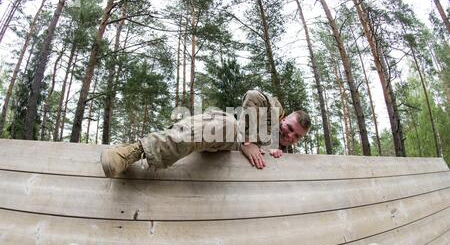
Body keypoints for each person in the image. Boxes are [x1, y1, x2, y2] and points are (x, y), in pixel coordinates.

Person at [101, 89, 311, 177]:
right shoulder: (269, 120)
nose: (290, 135)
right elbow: (255, 97)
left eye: (296, 136)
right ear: (282, 119)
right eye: (289, 127)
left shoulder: (285, 154)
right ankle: (134, 151)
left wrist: (275, 156)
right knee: (226, 124)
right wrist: (249, 141)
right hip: (227, 139)